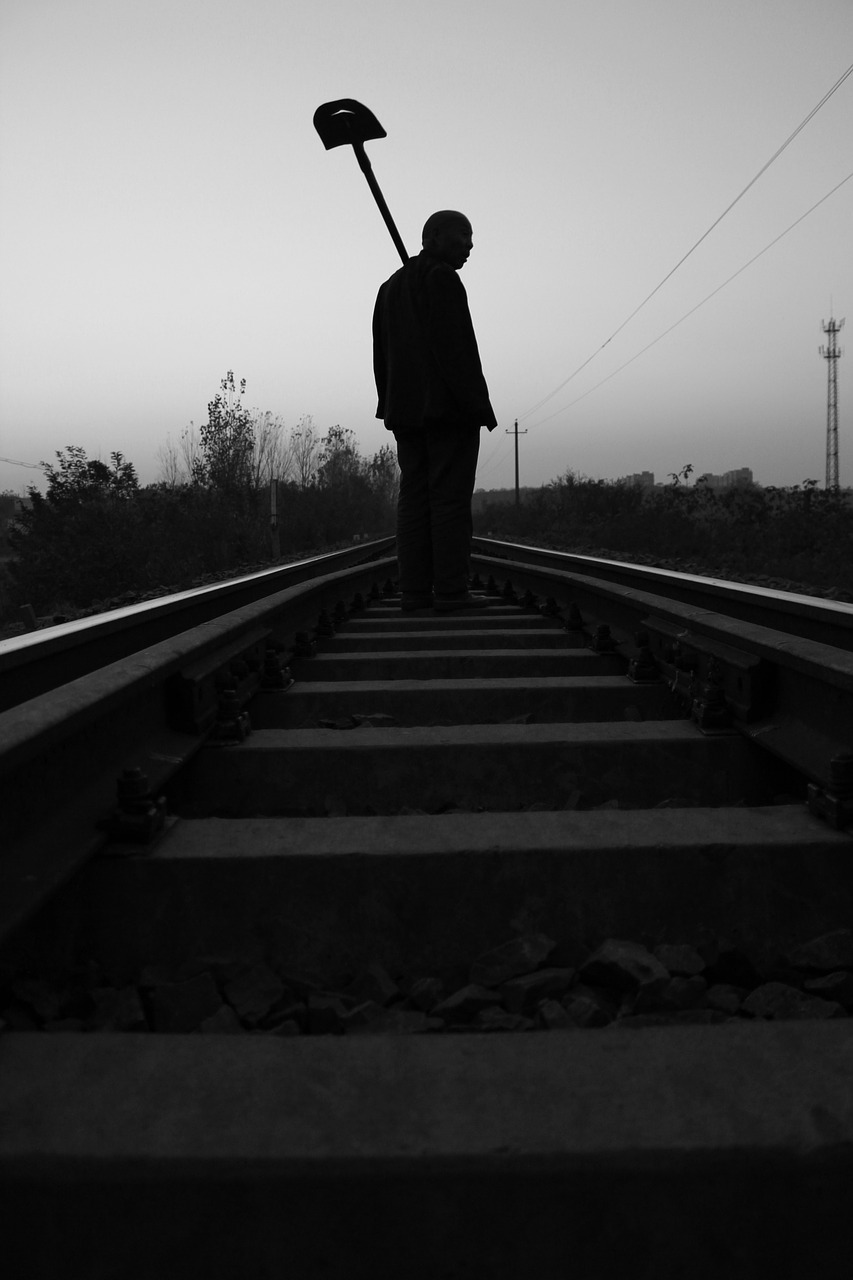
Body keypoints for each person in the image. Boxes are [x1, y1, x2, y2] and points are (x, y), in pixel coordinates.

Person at [372, 210, 497, 611]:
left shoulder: (389, 287)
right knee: (449, 500)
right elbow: (455, 350)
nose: (470, 245)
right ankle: (450, 592)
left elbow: (382, 356)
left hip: (405, 414)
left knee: (413, 500)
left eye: (471, 237)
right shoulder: (443, 279)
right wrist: (478, 406)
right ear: (431, 238)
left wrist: (389, 403)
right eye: (462, 235)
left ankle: (413, 592)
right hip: (447, 413)